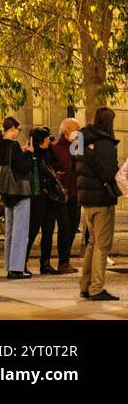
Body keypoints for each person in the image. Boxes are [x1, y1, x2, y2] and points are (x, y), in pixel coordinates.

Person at [76, 106, 120, 301]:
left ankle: (85, 285)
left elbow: (73, 165)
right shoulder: (105, 143)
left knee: (92, 243)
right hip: (102, 200)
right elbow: (110, 172)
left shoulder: (81, 139)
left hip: (87, 200)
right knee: (102, 245)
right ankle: (96, 287)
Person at [0, 116, 35, 279]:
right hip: (19, 191)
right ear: (13, 129)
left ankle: (9, 265)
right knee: (20, 229)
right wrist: (29, 155)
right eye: (18, 129)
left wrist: (21, 152)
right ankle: (17, 268)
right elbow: (24, 168)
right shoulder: (14, 145)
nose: (19, 132)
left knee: (10, 230)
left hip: (6, 191)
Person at [25, 128, 66, 276]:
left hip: (50, 197)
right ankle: (22, 262)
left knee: (48, 231)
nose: (49, 140)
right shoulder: (32, 154)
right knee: (32, 230)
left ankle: (45, 263)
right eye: (47, 138)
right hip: (37, 197)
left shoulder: (48, 153)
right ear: (41, 141)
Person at [52, 118, 80, 275]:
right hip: (62, 193)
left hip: (75, 193)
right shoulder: (56, 147)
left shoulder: (77, 146)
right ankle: (63, 262)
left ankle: (66, 260)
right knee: (65, 227)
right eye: (77, 129)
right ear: (68, 130)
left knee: (73, 226)